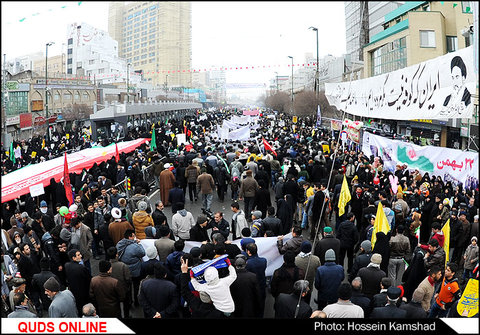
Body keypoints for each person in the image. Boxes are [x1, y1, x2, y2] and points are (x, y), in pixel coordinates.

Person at [116, 229, 145, 307]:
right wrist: (139, 244)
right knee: (136, 286)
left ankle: (129, 302)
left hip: (125, 269)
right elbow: (143, 253)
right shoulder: (135, 246)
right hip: (135, 270)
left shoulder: (120, 244)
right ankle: (136, 301)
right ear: (131, 236)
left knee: (127, 287)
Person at [64, 249, 91, 315]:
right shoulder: (81, 268)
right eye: (78, 255)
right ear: (73, 258)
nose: (81, 256)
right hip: (83, 292)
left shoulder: (67, 265)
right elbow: (89, 279)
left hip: (74, 292)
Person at [244, 242, 267, 316]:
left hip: (252, 287)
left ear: (248, 252)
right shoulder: (264, 260)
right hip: (262, 285)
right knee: (261, 305)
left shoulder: (248, 263)